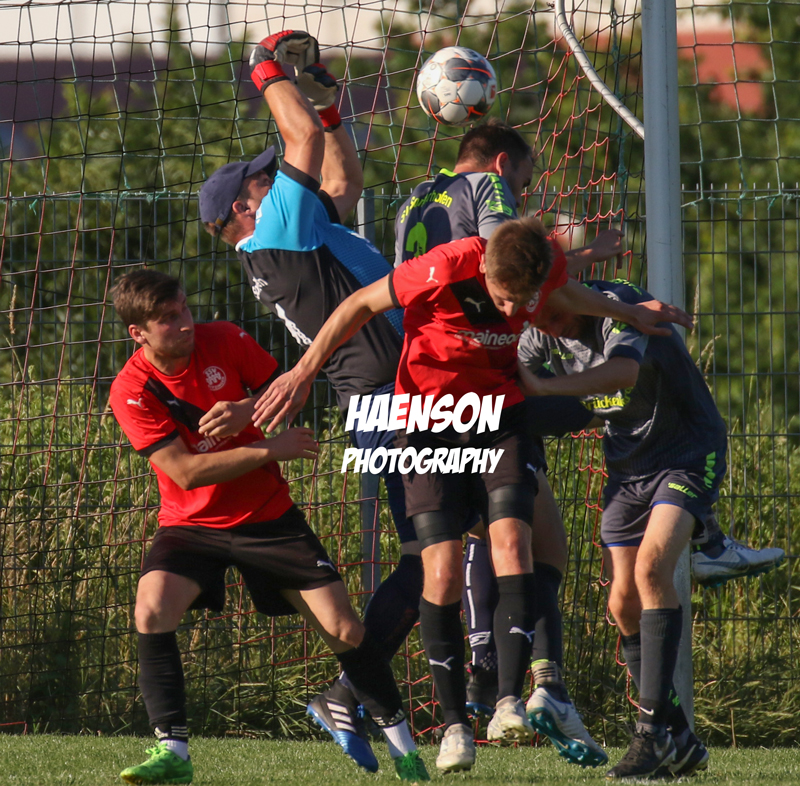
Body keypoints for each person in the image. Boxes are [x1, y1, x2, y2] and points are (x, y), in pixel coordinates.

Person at [250, 216, 694, 773]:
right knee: (437, 570)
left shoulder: (541, 266)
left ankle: (510, 702)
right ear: (483, 268)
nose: (512, 312)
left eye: (522, 301)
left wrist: (629, 314)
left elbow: (564, 290)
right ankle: (455, 726)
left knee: (515, 546)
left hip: (499, 417)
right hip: (426, 422)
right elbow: (360, 303)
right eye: (503, 299)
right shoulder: (444, 267)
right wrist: (302, 372)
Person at [197, 29, 430, 762]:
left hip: (392, 395)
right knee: (433, 552)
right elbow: (297, 138)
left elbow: (342, 183)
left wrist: (329, 109)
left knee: (443, 549)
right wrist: (268, 70)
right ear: (244, 209)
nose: (275, 177)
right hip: (389, 399)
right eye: (262, 179)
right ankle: (354, 693)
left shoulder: (288, 233)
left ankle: (353, 693)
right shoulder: (276, 231)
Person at [108, 270, 427, 784]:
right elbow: (185, 472)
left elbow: (288, 393)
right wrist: (269, 448)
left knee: (345, 629)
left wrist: (247, 409)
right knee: (151, 608)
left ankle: (406, 755)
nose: (184, 322)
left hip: (268, 515)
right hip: (191, 525)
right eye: (167, 319)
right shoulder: (130, 389)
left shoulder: (226, 339)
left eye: (184, 308)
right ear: (137, 333)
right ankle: (173, 752)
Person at [517, 278, 731, 779]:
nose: (550, 328)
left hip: (687, 453)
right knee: (622, 603)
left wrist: (543, 388)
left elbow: (623, 372)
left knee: (652, 571)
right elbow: (516, 375)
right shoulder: (538, 329)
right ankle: (680, 738)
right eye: (538, 320)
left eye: (554, 314)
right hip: (629, 467)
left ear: (568, 293)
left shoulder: (621, 307)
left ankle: (650, 735)